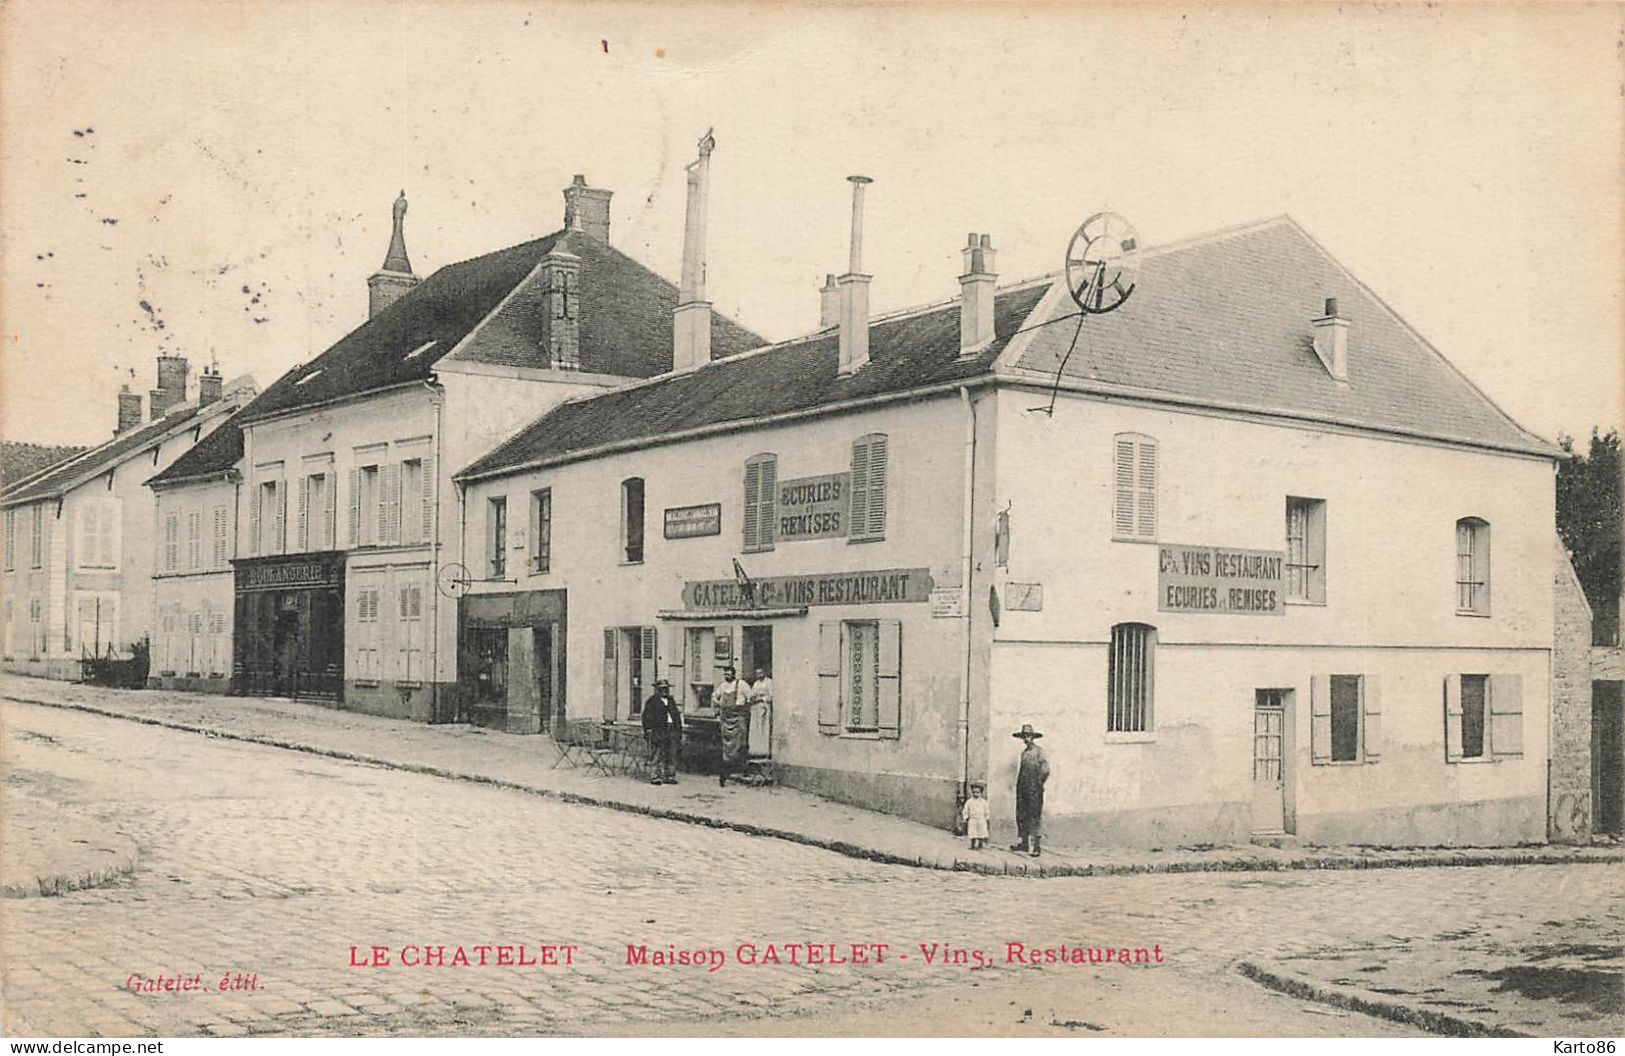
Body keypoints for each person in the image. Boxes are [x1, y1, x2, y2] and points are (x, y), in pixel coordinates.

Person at [1009, 724, 1050, 856]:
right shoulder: (1024, 754)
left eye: (1028, 736)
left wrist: (1038, 783)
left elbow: (1045, 770)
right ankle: (1024, 843)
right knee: (1022, 815)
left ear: (1033, 737)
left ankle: (1036, 846)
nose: (1026, 739)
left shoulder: (1039, 752)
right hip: (1022, 787)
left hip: (1034, 788)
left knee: (1034, 816)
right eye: (1024, 737)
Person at [641, 679, 682, 785]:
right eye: (662, 689)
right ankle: (655, 776)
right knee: (656, 754)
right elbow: (646, 717)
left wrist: (678, 730)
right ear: (657, 690)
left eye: (666, 688)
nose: (664, 691)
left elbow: (676, 716)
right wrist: (648, 730)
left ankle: (669, 776)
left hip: (671, 730)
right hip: (658, 730)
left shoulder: (671, 701)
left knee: (671, 753)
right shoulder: (652, 701)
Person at [714, 665, 750, 786]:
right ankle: (725, 774)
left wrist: (743, 708)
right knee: (727, 746)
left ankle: (743, 770)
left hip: (738, 719)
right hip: (726, 720)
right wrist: (719, 705)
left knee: (740, 744)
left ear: (733, 674)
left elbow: (751, 697)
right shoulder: (723, 686)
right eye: (725, 674)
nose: (727, 676)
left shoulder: (742, 685)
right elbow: (715, 696)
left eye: (729, 674)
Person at [746, 666, 773, 758]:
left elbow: (771, 696)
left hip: (764, 707)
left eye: (761, 673)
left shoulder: (769, 682)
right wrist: (752, 698)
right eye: (757, 673)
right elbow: (752, 694)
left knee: (763, 728)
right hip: (756, 708)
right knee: (755, 729)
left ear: (764, 672)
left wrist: (761, 698)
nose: (759, 675)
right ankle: (756, 751)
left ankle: (764, 751)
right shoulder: (756, 683)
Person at [961, 782, 990, 850]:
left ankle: (980, 844)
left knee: (981, 832)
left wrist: (987, 817)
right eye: (974, 792)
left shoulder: (984, 802)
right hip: (973, 819)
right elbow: (966, 809)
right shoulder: (969, 801)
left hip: (981, 819)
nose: (975, 794)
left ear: (981, 793)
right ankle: (973, 844)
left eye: (977, 792)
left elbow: (987, 810)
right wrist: (965, 817)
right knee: (972, 832)